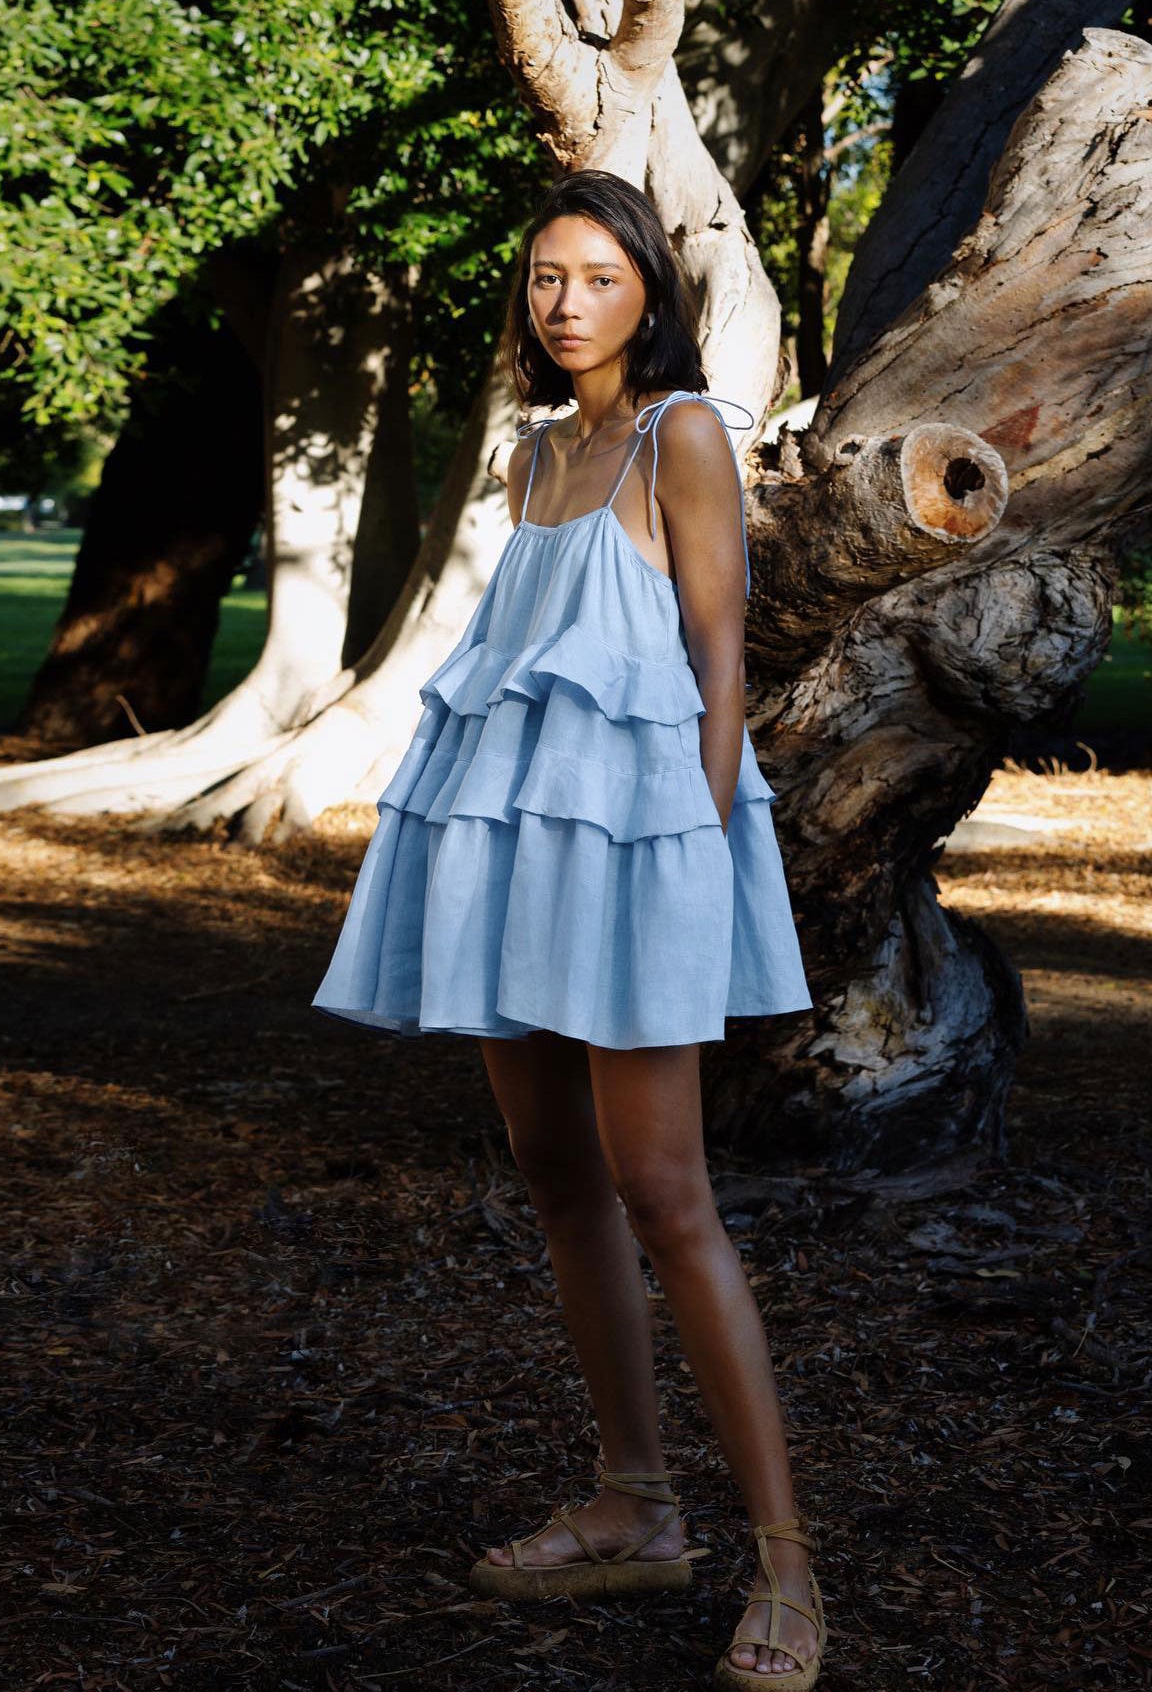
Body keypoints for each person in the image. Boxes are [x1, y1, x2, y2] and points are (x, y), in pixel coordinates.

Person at [312, 169, 825, 1688]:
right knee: (555, 1179)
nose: (564, 300)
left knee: (667, 1192)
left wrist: (701, 868)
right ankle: (636, 1502)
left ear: (647, 293)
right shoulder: (537, 455)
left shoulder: (683, 434)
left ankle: (788, 1567)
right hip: (512, 845)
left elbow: (719, 655)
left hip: (637, 854)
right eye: (545, 275)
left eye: (596, 276)